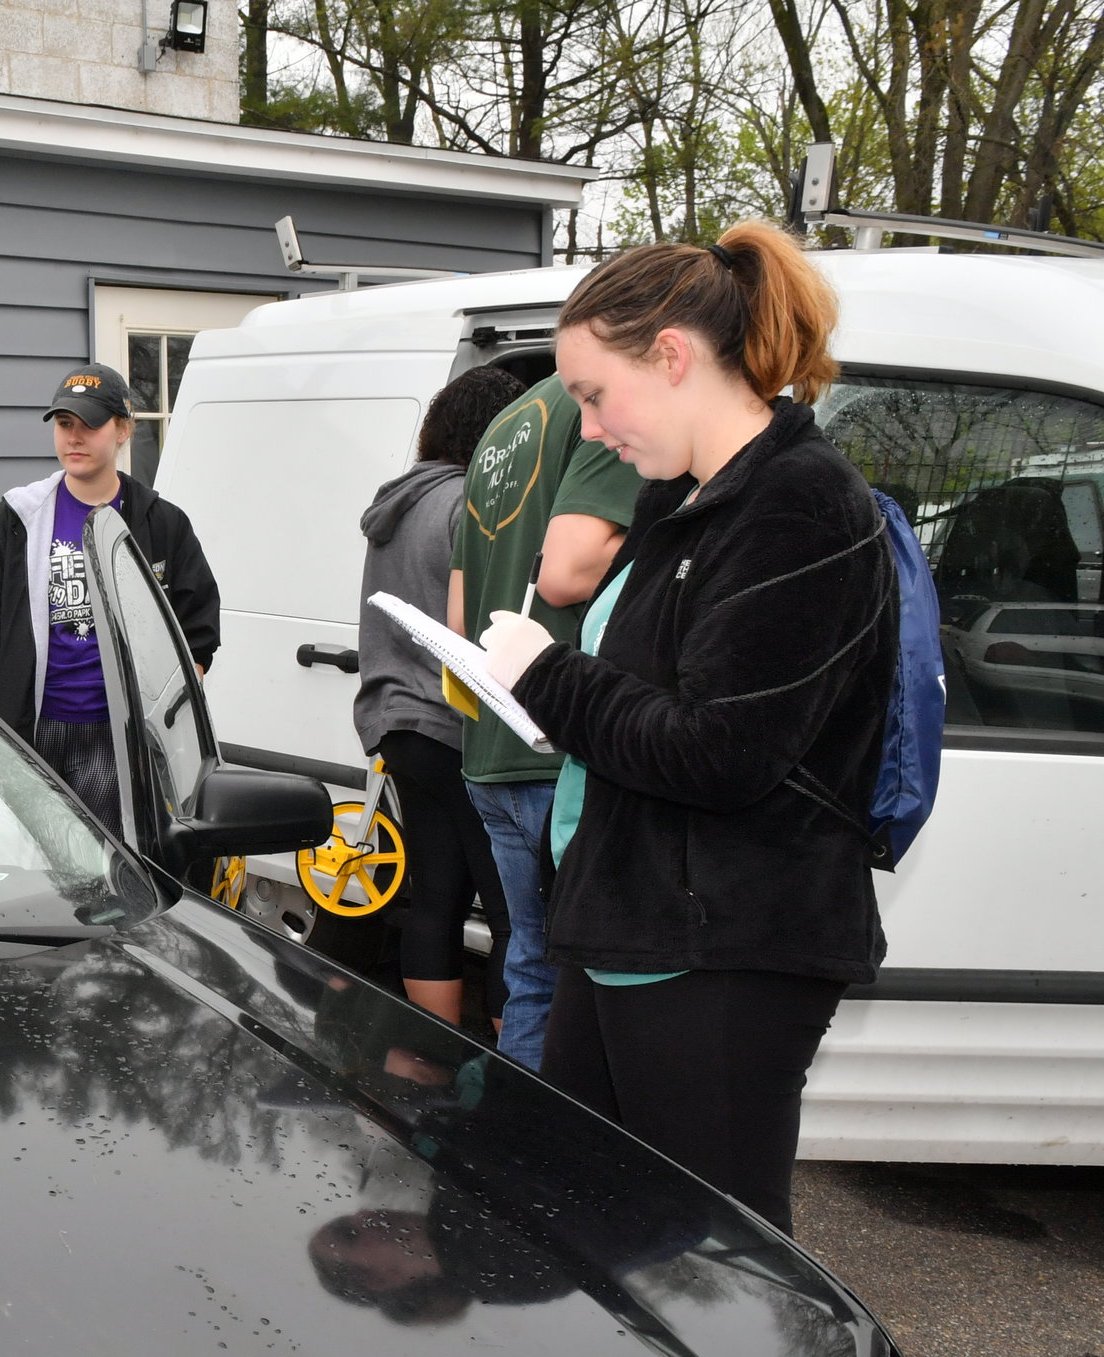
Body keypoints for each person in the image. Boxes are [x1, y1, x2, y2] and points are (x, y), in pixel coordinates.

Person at [478, 220, 895, 1234]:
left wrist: (547, 676)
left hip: (724, 951)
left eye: (589, 394)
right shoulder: (685, 500)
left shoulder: (801, 505)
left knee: (718, 1265)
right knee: (586, 1230)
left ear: (670, 357)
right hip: (629, 927)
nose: (585, 427)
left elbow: (721, 751)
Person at [446, 376, 638, 1068]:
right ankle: (560, 1157)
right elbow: (566, 572)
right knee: (587, 980)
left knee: (529, 961)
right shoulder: (612, 411)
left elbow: (462, 622)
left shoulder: (504, 424)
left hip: (491, 750)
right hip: (558, 752)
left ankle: (518, 1148)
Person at [0, 363, 220, 830]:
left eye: (89, 425)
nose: (73, 438)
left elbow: (196, 639)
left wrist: (154, 726)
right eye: (64, 424)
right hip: (28, 731)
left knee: (107, 871)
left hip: (117, 740)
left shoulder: (162, 524)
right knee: (33, 863)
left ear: (123, 430)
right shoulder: (17, 517)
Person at [353, 365, 523, 1033]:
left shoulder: (395, 504)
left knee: (436, 899)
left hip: (398, 725)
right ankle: (517, 1073)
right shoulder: (470, 504)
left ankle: (431, 1061)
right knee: (513, 910)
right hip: (458, 729)